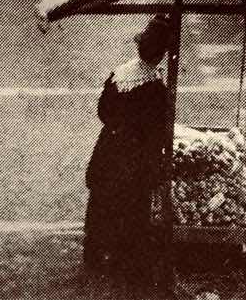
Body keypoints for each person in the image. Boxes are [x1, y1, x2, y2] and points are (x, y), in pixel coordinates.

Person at [84, 15, 173, 290]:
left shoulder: (119, 74)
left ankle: (96, 251)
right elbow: (157, 128)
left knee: (102, 199)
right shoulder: (155, 89)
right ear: (160, 55)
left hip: (110, 148)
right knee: (132, 205)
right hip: (135, 156)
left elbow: (103, 111)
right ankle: (127, 257)